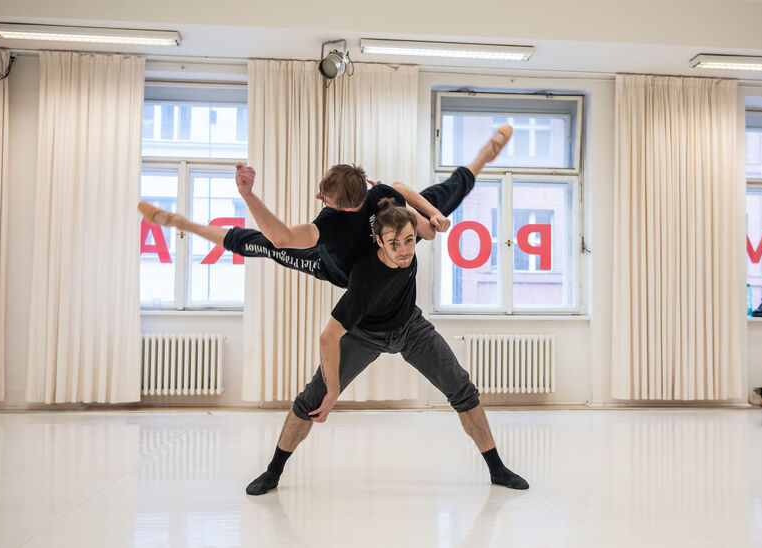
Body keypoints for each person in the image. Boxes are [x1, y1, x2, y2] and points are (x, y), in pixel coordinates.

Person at [245, 199, 529, 495]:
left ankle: (497, 469)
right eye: (395, 244)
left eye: (409, 240)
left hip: (410, 327)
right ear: (378, 241)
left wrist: (432, 213)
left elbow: (400, 188)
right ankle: (272, 472)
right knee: (311, 399)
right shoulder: (366, 281)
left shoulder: (404, 230)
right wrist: (331, 392)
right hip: (364, 335)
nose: (405, 250)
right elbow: (327, 337)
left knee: (462, 388)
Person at [138, 125, 513, 287]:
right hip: (374, 240)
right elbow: (398, 187)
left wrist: (249, 195)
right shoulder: (378, 193)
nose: (320, 198)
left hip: (333, 266)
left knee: (264, 243)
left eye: (325, 196)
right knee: (441, 196)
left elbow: (283, 237)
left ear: (338, 204)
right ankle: (182, 223)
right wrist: (430, 214)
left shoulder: (329, 225)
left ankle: (483, 156)